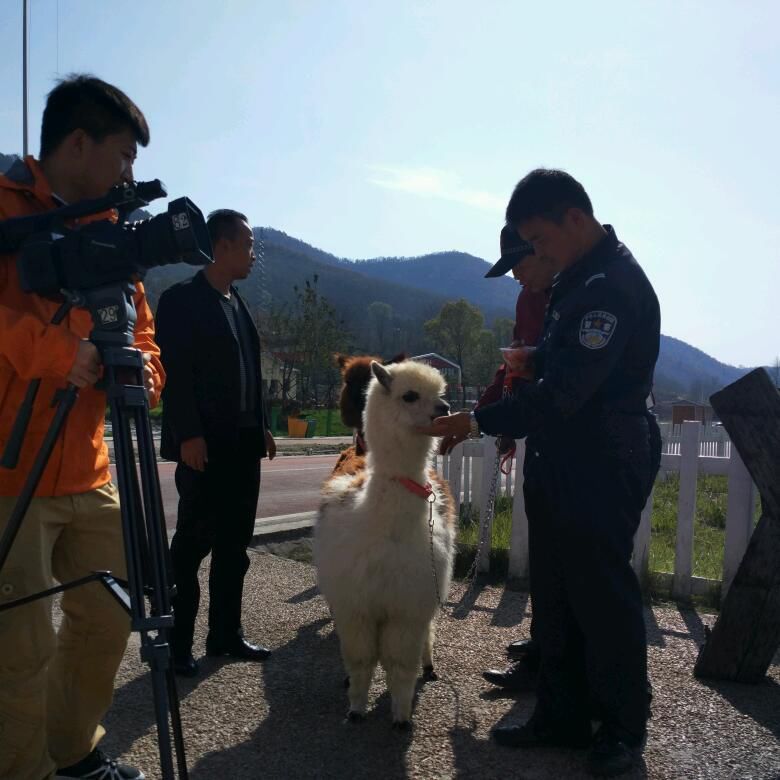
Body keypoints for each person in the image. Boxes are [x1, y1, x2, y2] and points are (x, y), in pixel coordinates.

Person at [421, 168, 661, 777]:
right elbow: (562, 365)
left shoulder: (610, 287)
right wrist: (536, 358)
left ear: (574, 219)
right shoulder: (576, 279)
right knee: (555, 590)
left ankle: (622, 727)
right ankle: (561, 713)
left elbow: (567, 393)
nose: (537, 253)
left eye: (539, 240)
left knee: (600, 593)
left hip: (601, 457)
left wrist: (478, 419)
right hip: (563, 456)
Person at [0, 75, 162, 780]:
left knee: (110, 615)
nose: (128, 172)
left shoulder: (113, 231)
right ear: (76, 144)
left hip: (89, 469)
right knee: (18, 646)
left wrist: (144, 374)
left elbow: (142, 332)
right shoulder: (4, 207)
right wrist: (59, 351)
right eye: (123, 154)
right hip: (9, 472)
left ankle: (72, 755)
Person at [156, 209, 276, 678]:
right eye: (248, 245)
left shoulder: (237, 302)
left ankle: (225, 634)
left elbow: (249, 372)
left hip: (243, 445)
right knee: (191, 547)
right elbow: (175, 374)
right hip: (204, 446)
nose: (253, 254)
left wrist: (261, 425)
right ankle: (177, 644)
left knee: (234, 546)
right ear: (222, 246)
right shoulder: (181, 301)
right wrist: (188, 433)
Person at [475, 225, 555, 693]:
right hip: (541, 437)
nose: (516, 276)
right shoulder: (528, 299)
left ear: (544, 249)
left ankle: (562, 665)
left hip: (577, 445)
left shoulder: (575, 295)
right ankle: (544, 646)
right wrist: (492, 412)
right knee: (545, 557)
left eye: (520, 264)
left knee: (575, 567)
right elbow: (514, 367)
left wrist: (485, 419)